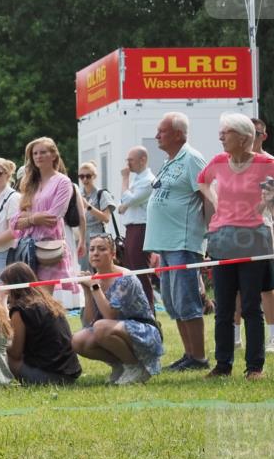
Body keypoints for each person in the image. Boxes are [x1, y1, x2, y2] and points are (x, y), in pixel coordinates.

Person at [197, 113, 274, 379]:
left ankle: (255, 367)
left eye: (226, 132)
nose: (220, 136)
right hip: (223, 239)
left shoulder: (267, 163)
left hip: (254, 239)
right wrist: (216, 201)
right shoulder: (218, 162)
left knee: (252, 305)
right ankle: (223, 365)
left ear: (244, 138)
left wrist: (267, 202)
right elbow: (202, 181)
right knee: (224, 307)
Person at [145, 112, 210, 372]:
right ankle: (188, 354)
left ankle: (199, 357)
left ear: (178, 134)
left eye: (162, 131)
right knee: (172, 303)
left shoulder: (192, 158)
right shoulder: (169, 161)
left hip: (183, 242)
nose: (157, 135)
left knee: (187, 301)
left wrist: (208, 232)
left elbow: (206, 195)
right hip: (166, 244)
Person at [72, 234, 163, 385]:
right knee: (78, 340)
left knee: (100, 327)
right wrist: (87, 290)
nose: (95, 253)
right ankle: (120, 366)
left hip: (144, 331)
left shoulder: (124, 278)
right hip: (114, 329)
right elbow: (88, 323)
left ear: (113, 254)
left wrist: (94, 287)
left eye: (102, 249)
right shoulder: (95, 279)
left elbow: (110, 315)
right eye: (92, 249)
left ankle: (135, 367)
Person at [11, 137, 79, 296]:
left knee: (43, 298)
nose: (38, 156)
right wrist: (34, 219)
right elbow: (14, 221)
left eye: (43, 152)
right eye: (35, 153)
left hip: (48, 247)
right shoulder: (29, 183)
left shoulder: (63, 182)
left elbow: (53, 217)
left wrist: (27, 218)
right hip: (26, 248)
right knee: (27, 297)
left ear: (54, 155)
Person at [0, 262, 82, 385]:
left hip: (49, 377)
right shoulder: (49, 302)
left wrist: (1, 345)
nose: (3, 289)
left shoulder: (20, 310)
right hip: (70, 374)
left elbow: (16, 353)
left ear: (12, 287)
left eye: (5, 285)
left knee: (2, 355)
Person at [117, 146, 157, 308]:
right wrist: (126, 203)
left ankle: (149, 308)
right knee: (131, 269)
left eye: (131, 160)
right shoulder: (139, 178)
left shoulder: (148, 180)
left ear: (143, 160)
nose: (128, 164)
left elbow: (129, 198)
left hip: (141, 227)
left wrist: (124, 179)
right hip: (133, 227)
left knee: (140, 269)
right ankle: (138, 306)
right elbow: (127, 201)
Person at [250, 117, 274, 353]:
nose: (250, 138)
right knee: (235, 288)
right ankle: (235, 337)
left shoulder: (269, 163)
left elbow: (267, 202)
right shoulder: (234, 162)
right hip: (236, 231)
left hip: (263, 229)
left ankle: (272, 336)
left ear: (263, 136)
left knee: (267, 287)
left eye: (255, 134)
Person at [76, 161, 116, 272]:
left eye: (88, 176)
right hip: (82, 237)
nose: (84, 179)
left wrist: (88, 206)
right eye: (81, 176)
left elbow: (106, 218)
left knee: (100, 271)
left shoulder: (102, 194)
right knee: (84, 272)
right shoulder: (78, 193)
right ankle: (88, 289)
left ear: (94, 176)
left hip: (98, 237)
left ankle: (100, 289)